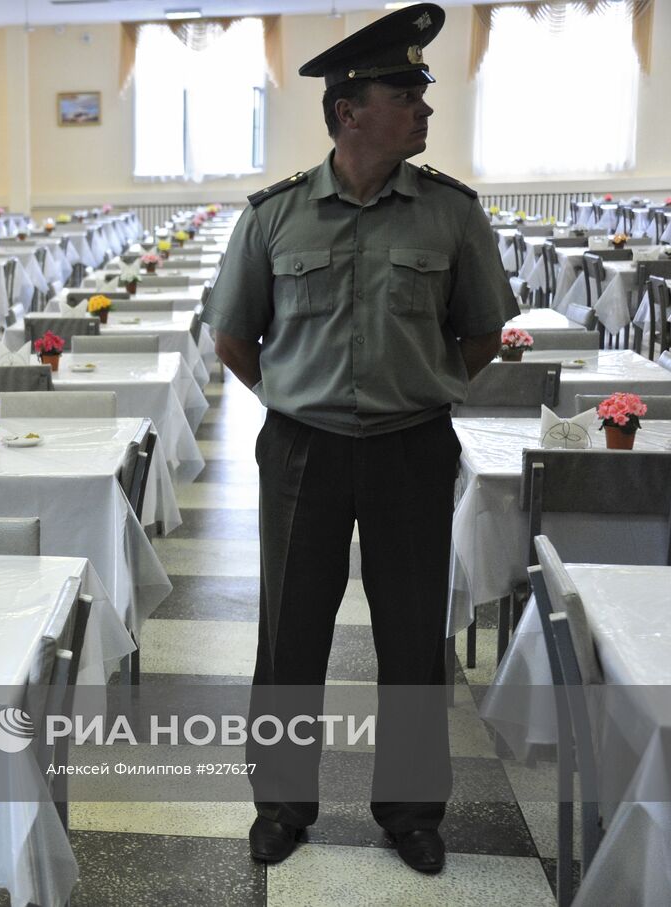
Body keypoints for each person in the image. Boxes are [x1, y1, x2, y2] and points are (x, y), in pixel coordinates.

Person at [202, 2, 515, 875]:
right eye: (405, 91)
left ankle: (412, 811)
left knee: (413, 636)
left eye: (422, 90)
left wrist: (423, 386)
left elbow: (483, 331)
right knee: (289, 632)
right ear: (349, 111)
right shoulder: (275, 217)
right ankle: (282, 804)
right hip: (301, 448)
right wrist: (295, 398)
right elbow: (233, 337)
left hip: (413, 447)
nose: (424, 107)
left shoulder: (450, 214)